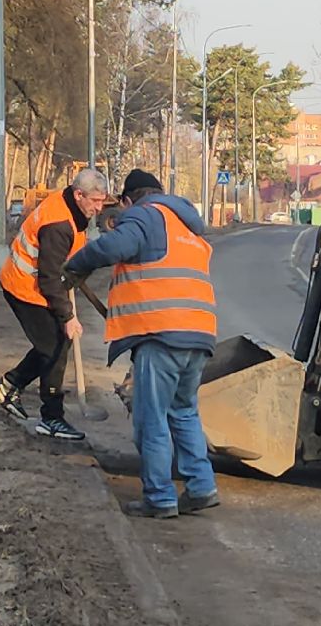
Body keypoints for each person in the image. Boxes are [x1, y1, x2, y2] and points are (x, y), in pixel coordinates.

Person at [64, 169, 219, 519]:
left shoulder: (145, 214)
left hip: (160, 334)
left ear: (128, 200)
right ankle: (201, 486)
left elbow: (114, 246)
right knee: (183, 411)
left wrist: (75, 264)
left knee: (151, 419)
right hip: (199, 333)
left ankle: (160, 498)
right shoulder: (187, 225)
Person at [0, 168, 112, 440]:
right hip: (24, 287)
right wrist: (68, 316)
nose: (99, 208)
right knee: (56, 345)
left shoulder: (72, 208)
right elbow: (48, 278)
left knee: (53, 344)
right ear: (78, 195)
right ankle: (51, 418)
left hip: (38, 284)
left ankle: (10, 385)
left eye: (102, 202)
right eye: (95, 201)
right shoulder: (58, 224)